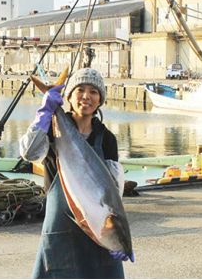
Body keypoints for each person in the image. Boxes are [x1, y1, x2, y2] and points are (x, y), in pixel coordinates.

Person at [19, 68, 134, 279]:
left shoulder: (106, 138)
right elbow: (28, 152)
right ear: (69, 96)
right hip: (60, 230)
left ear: (100, 100)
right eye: (80, 90)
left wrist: (121, 240)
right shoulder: (53, 130)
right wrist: (45, 113)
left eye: (94, 92)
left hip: (97, 231)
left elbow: (114, 189)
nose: (86, 97)